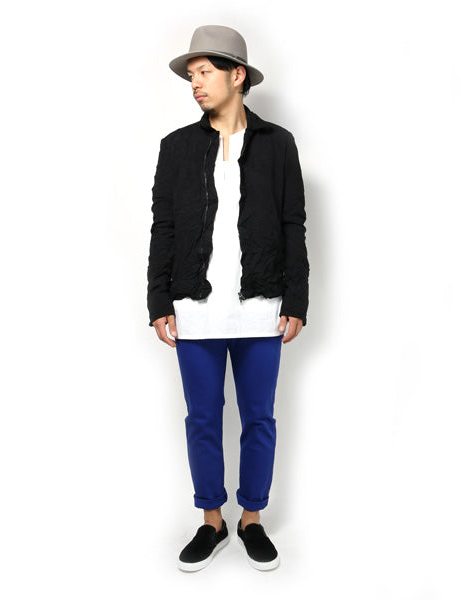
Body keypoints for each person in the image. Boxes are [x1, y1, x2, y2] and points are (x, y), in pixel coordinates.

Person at [146, 24, 309, 572]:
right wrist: (159, 301)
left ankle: (252, 519)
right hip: (194, 308)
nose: (195, 83)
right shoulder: (176, 147)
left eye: (205, 72)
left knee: (260, 418)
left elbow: (292, 224)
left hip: (261, 307)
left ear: (237, 76)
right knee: (202, 419)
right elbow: (164, 228)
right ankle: (212, 520)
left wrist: (297, 299)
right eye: (191, 75)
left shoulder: (278, 144)